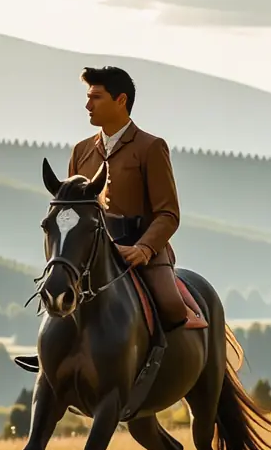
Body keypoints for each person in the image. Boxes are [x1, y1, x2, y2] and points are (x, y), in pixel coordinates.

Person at [29, 66, 207, 340]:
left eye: (96, 97)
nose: (88, 105)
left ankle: (170, 366)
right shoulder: (81, 150)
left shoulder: (151, 147)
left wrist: (144, 248)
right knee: (58, 304)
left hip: (141, 250)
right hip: (91, 255)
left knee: (171, 307)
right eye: (88, 97)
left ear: (121, 100)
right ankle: (49, 358)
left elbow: (168, 214)